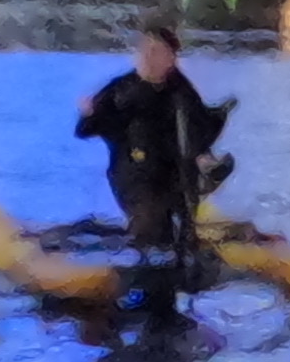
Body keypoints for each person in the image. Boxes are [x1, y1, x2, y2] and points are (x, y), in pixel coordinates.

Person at [77, 24, 236, 268]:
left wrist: (206, 159)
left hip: (176, 176)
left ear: (171, 58)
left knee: (181, 236)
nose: (148, 59)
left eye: (157, 52)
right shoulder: (121, 90)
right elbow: (85, 130)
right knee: (152, 231)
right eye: (144, 52)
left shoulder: (182, 92)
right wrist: (88, 115)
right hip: (134, 174)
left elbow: (198, 133)